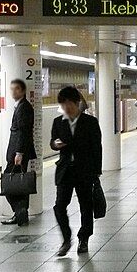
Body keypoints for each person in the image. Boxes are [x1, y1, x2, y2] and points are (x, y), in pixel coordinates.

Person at [51, 86, 102, 256]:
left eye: (69, 104)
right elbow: (52, 141)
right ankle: (67, 238)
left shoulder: (90, 122)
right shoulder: (58, 122)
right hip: (65, 170)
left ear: (77, 103)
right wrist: (55, 144)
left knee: (86, 206)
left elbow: (97, 148)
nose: (66, 108)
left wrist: (96, 173)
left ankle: (84, 238)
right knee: (59, 206)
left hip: (85, 170)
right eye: (63, 104)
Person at [2, 79, 37, 226]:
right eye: (12, 89)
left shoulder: (23, 107)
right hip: (19, 151)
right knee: (19, 183)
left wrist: (19, 153)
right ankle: (21, 213)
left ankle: (20, 210)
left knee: (8, 182)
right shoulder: (21, 106)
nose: (13, 92)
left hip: (19, 152)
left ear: (22, 91)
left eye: (16, 89)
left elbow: (23, 132)